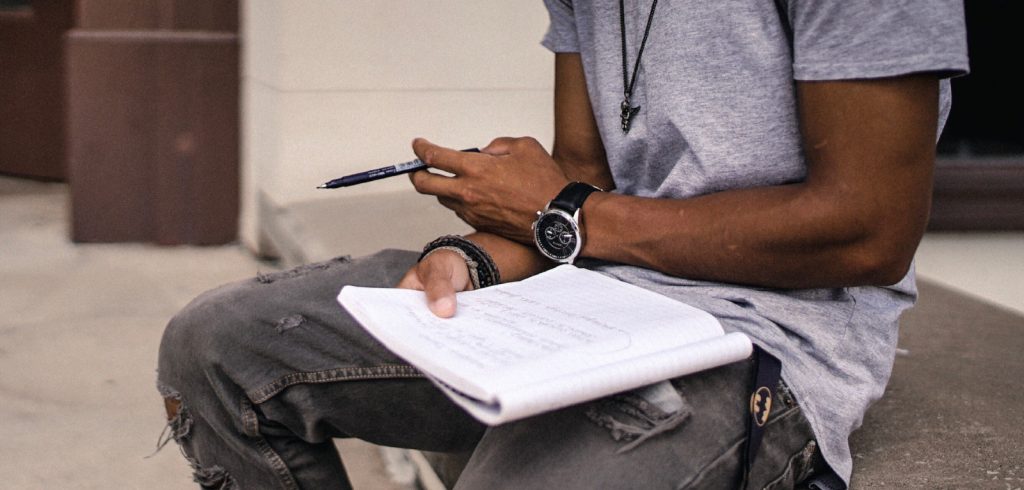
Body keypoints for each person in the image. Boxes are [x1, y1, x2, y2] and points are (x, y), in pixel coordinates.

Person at [156, 1, 968, 488]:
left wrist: (563, 211)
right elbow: (578, 179)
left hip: (762, 336)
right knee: (220, 349)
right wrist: (471, 260)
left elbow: (869, 228)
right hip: (588, 299)